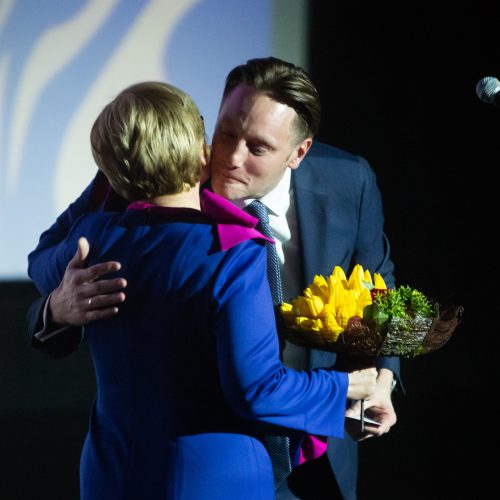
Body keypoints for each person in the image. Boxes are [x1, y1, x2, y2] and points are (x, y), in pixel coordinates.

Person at [27, 57, 400, 499]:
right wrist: (58, 308)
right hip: (218, 466)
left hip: (319, 449)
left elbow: (379, 285)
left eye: (258, 148)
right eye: (225, 134)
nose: (231, 158)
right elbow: (45, 259)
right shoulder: (160, 166)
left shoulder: (348, 181)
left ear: (299, 153)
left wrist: (382, 379)